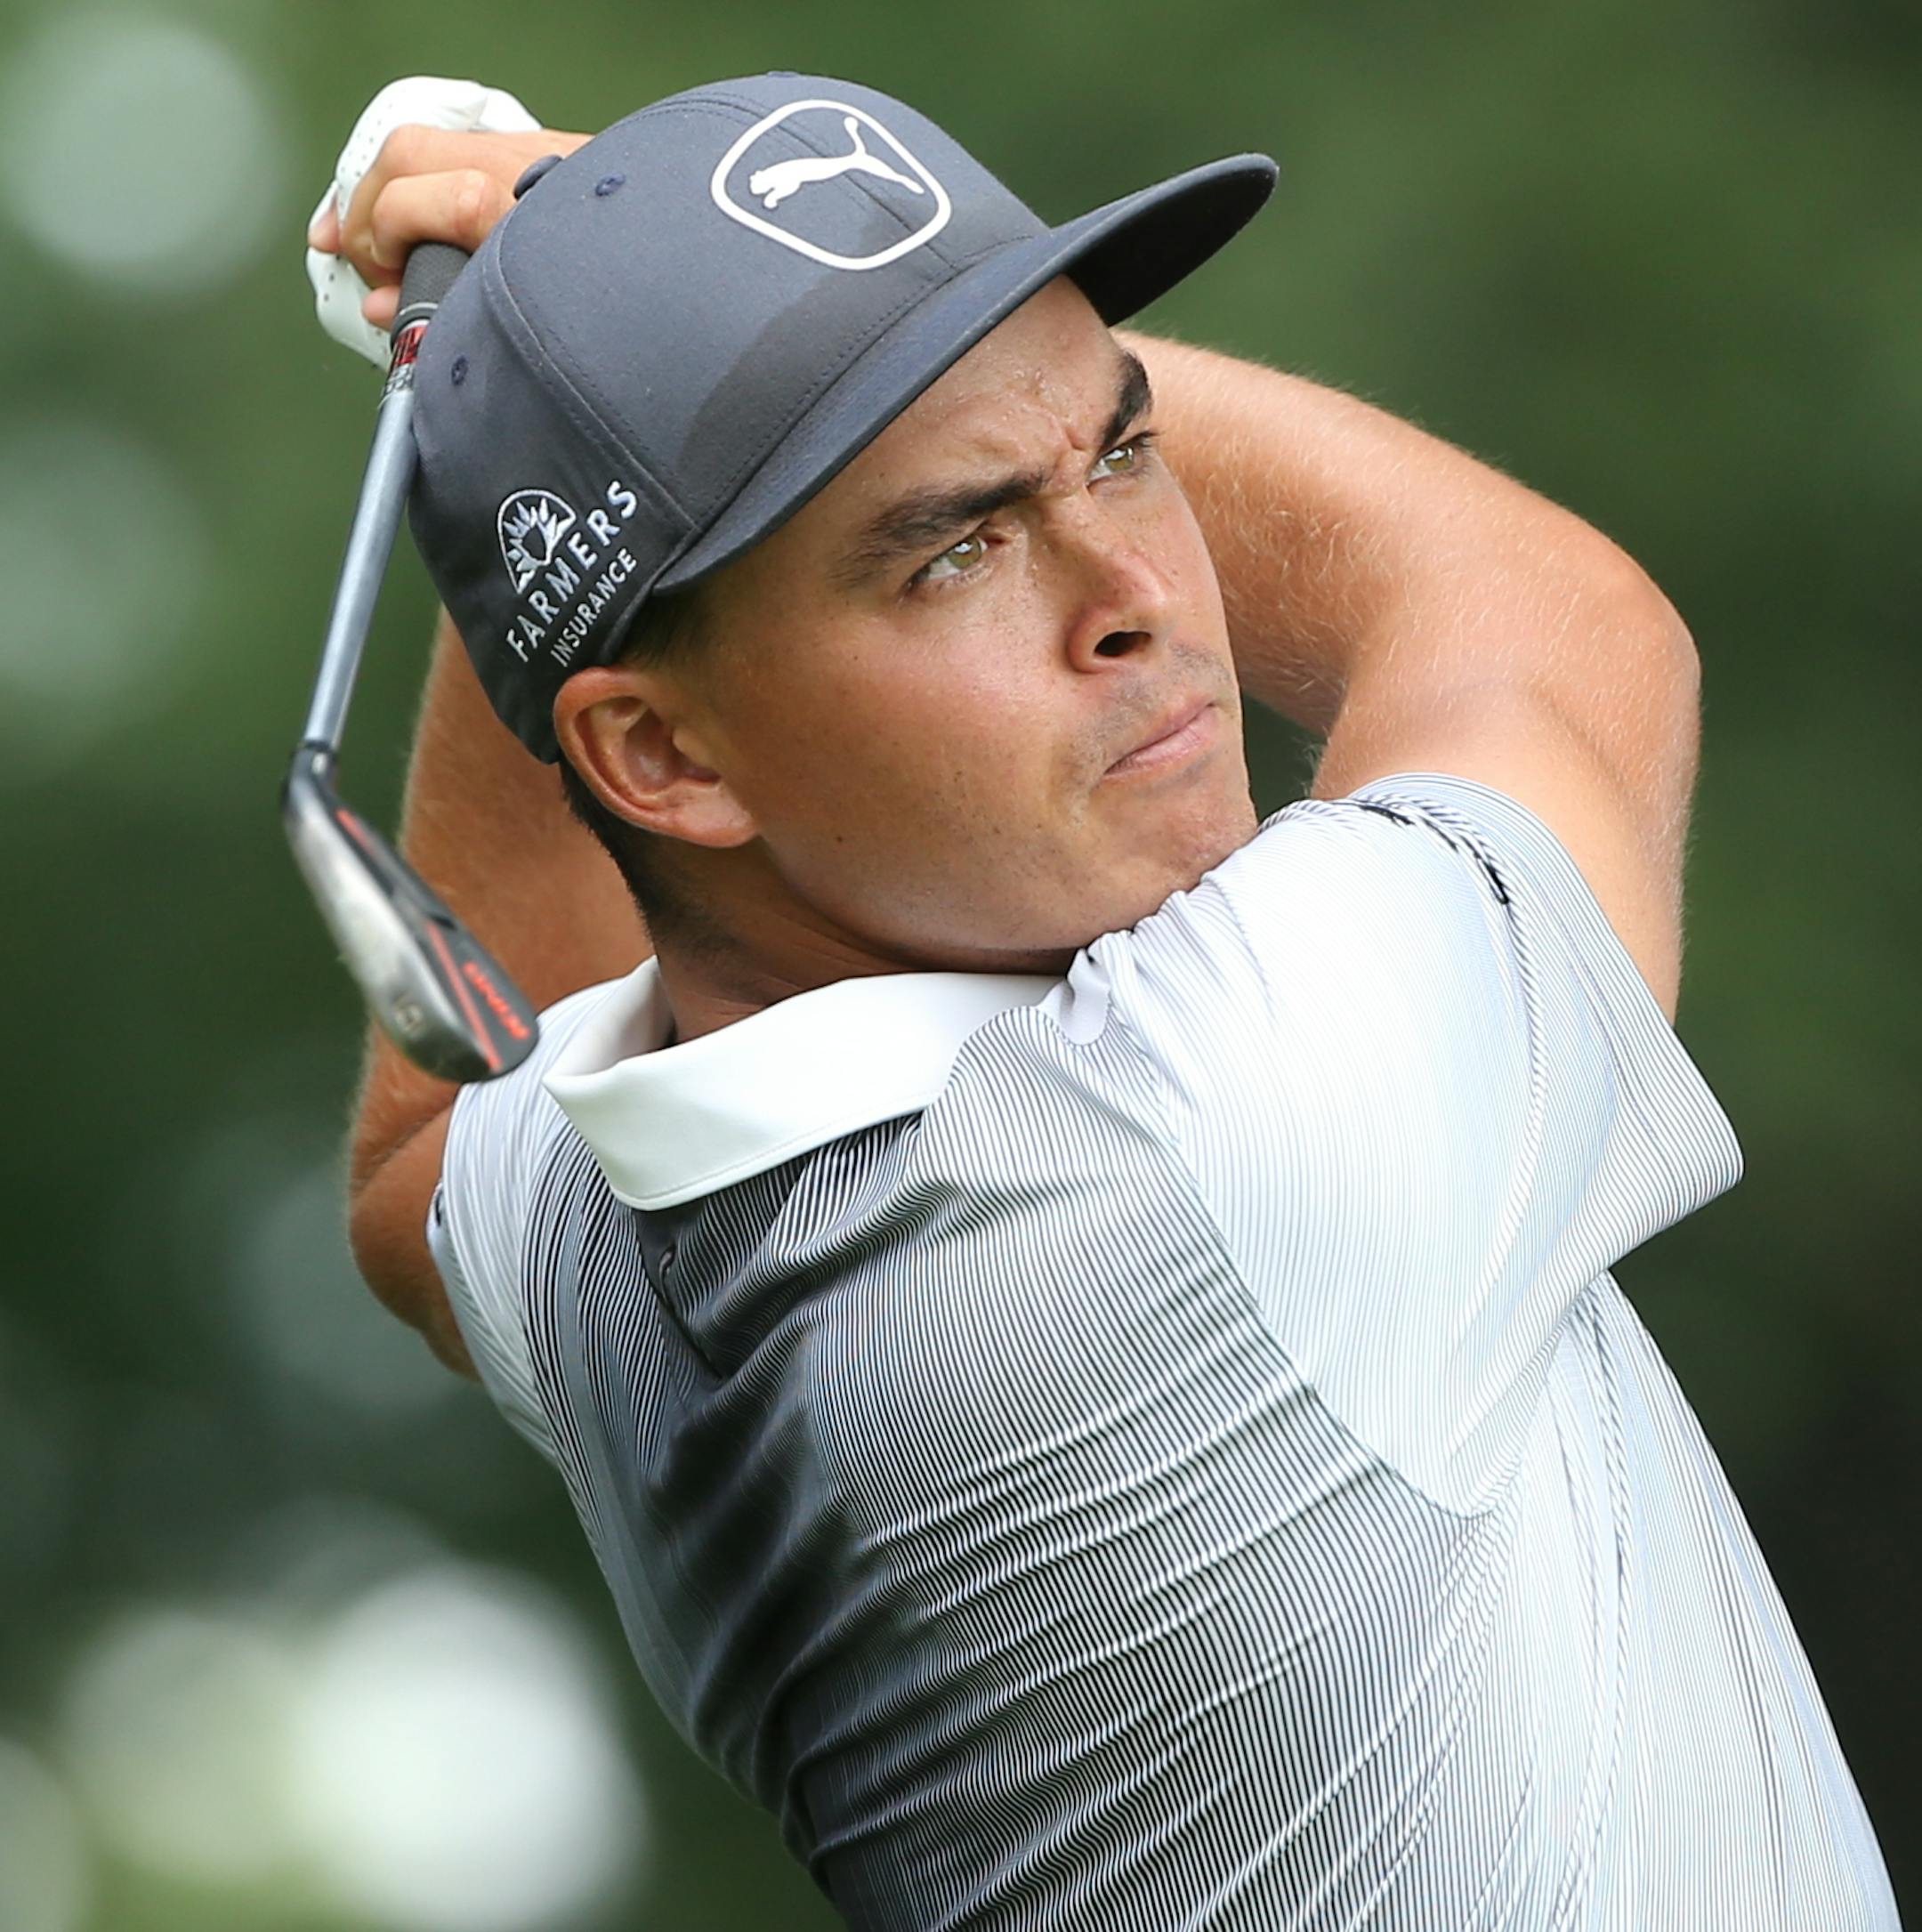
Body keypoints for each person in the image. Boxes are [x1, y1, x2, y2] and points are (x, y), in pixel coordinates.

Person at [314, 72, 1899, 1929]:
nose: (1135, 591)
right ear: (659, 753)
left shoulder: (581, 1240)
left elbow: (418, 1157)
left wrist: (542, 371)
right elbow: (1543, 614)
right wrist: (586, 266)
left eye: (1122, 449)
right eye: (958, 546)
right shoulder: (1221, 1126)